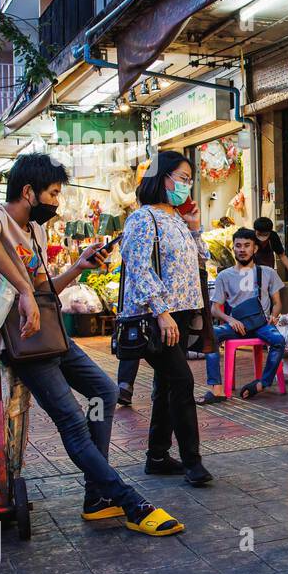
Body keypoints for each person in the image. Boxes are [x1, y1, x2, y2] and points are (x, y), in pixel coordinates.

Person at [0, 153, 183, 536]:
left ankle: (97, 496)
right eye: (51, 193)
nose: (56, 202)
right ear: (28, 192)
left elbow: (43, 291)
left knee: (103, 392)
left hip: (50, 335)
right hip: (22, 343)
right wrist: (23, 290)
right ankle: (128, 501)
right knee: (71, 422)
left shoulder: (36, 231)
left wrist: (79, 266)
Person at [119, 151, 213, 487]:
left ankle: (157, 456)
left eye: (190, 180)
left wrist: (196, 230)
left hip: (183, 312)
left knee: (167, 385)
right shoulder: (143, 219)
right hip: (157, 315)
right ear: (162, 178)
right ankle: (193, 461)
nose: (186, 185)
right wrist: (161, 312)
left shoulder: (175, 218)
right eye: (182, 177)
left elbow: (202, 260)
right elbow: (138, 267)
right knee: (183, 382)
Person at [198, 227, 285, 404]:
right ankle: (217, 389)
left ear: (255, 249)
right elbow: (215, 309)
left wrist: (273, 317)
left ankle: (263, 383)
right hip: (236, 326)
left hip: (262, 325)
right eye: (238, 246)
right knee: (210, 335)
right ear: (234, 249)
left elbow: (277, 303)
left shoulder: (267, 272)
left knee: (279, 341)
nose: (242, 249)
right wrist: (231, 320)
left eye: (247, 245)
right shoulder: (224, 275)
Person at [253, 216, 288, 280]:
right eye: (259, 234)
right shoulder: (250, 237)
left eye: (265, 235)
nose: (262, 239)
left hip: (268, 272)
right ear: (255, 230)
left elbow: (282, 256)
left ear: (270, 232)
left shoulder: (273, 236)